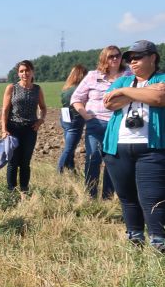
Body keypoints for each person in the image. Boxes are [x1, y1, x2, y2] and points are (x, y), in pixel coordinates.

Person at [102, 40, 165, 250]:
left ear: (153, 58)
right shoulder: (123, 80)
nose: (132, 62)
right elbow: (109, 103)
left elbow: (159, 97)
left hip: (153, 149)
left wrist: (124, 93)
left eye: (137, 57)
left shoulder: (162, 79)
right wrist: (136, 92)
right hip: (118, 148)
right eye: (129, 58)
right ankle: (135, 240)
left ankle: (159, 243)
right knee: (127, 197)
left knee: (152, 197)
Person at [70, 46, 129, 199]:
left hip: (118, 125)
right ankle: (90, 195)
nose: (115, 59)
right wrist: (85, 114)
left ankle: (108, 197)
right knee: (93, 156)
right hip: (96, 123)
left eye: (117, 55)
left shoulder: (128, 75)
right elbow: (76, 98)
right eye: (111, 57)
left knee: (112, 160)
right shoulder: (92, 76)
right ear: (104, 59)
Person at [0, 60, 47, 192]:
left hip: (30, 129)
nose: (24, 73)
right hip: (13, 128)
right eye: (21, 71)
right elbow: (5, 110)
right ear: (18, 73)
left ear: (32, 72)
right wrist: (4, 130)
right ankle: (11, 191)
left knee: (25, 162)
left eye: (27, 71)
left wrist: (40, 120)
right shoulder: (12, 88)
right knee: (13, 162)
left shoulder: (37, 89)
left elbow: (43, 108)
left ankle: (24, 190)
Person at [58, 65, 88, 173]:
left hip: (65, 118)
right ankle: (59, 171)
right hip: (76, 119)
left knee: (69, 146)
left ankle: (71, 169)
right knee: (69, 148)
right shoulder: (79, 90)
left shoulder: (66, 89)